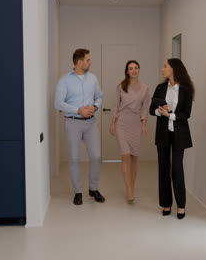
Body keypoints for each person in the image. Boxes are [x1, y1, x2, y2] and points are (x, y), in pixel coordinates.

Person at [55, 48, 105, 205]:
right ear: (79, 62)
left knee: (96, 156)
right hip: (72, 123)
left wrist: (95, 107)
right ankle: (78, 192)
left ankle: (93, 188)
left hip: (91, 123)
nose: (90, 62)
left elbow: (99, 96)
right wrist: (78, 110)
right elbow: (58, 103)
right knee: (74, 158)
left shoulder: (93, 79)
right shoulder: (64, 80)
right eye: (88, 60)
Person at [149, 58, 194, 219]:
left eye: (165, 66)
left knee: (177, 170)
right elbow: (151, 110)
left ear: (174, 69)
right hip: (162, 133)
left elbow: (186, 113)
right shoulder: (160, 88)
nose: (163, 69)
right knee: (163, 169)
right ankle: (166, 204)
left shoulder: (186, 90)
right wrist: (160, 111)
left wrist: (171, 115)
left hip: (179, 134)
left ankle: (181, 206)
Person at [110, 60, 150, 203]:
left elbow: (145, 107)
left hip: (136, 123)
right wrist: (113, 123)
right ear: (127, 71)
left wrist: (144, 124)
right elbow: (115, 105)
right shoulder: (121, 86)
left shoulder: (144, 88)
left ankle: (132, 186)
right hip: (122, 121)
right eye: (130, 68)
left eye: (136, 68)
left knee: (134, 157)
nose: (133, 70)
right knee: (125, 154)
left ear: (139, 70)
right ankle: (128, 189)